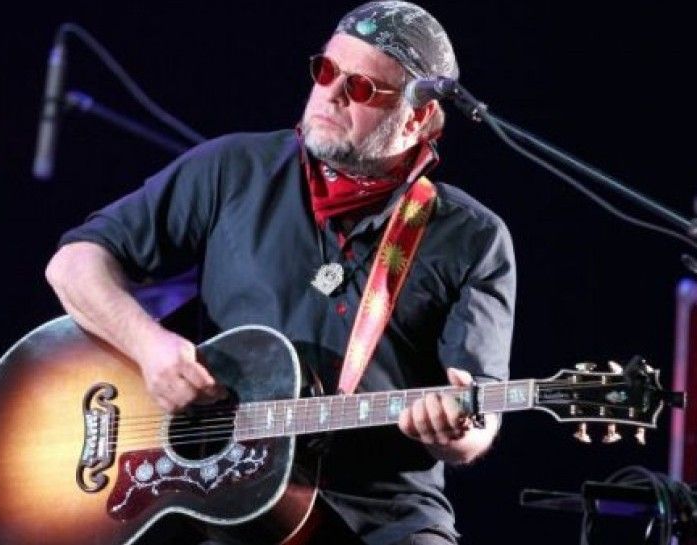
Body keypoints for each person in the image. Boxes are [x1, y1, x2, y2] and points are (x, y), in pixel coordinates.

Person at [46, 2, 515, 544]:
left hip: (385, 514)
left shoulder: (472, 237)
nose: (332, 94)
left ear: (419, 118)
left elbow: (478, 420)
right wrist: (149, 347)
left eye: (362, 88)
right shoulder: (232, 169)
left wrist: (452, 429)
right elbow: (74, 264)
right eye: (326, 71)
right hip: (221, 497)